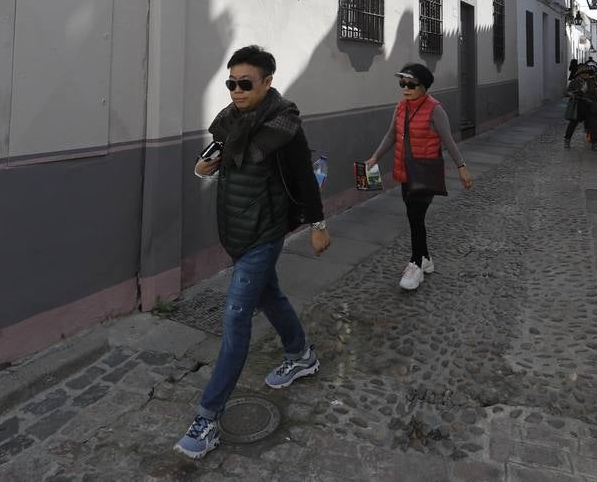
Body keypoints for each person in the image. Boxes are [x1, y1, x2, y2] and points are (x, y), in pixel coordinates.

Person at [175, 45, 332, 460]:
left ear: (267, 82)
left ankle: (207, 418)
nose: (237, 90)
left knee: (236, 317)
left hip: (265, 232)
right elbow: (219, 162)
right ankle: (301, 355)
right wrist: (203, 167)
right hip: (235, 231)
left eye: (246, 83)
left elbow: (303, 176)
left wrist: (318, 225)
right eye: (231, 83)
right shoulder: (229, 123)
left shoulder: (285, 125)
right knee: (271, 297)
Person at [364, 63, 473, 291]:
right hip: (405, 172)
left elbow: (449, 140)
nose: (405, 87)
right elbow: (391, 134)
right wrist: (375, 157)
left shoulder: (435, 110)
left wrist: (461, 166)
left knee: (415, 216)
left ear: (423, 86)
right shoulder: (401, 106)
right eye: (402, 83)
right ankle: (425, 258)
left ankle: (415, 264)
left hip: (425, 172)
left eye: (410, 83)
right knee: (414, 217)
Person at [565, 60, 597, 151]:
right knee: (573, 124)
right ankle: (567, 140)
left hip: (590, 106)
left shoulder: (593, 82)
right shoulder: (574, 82)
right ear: (579, 74)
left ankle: (595, 144)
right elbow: (567, 92)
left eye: (587, 73)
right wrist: (573, 94)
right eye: (583, 73)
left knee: (593, 125)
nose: (585, 74)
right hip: (579, 106)